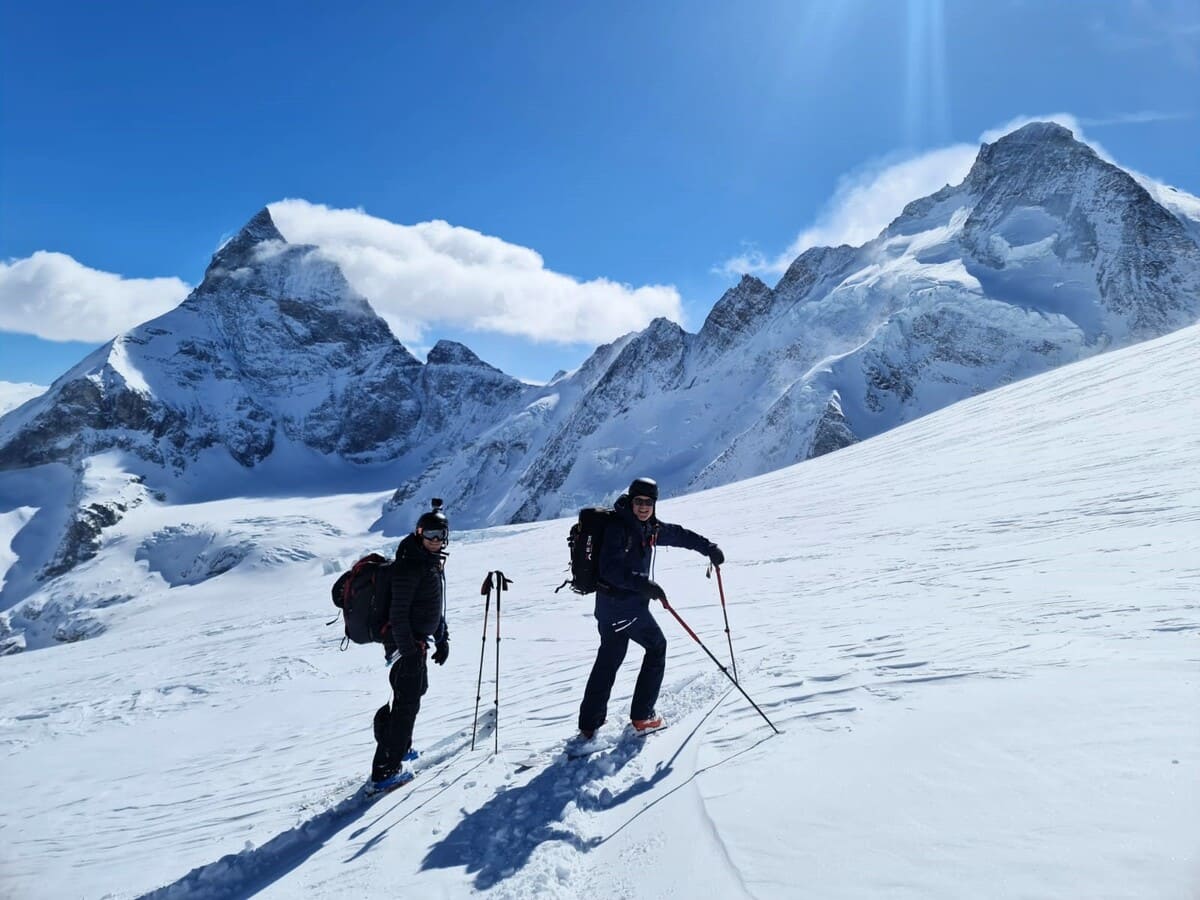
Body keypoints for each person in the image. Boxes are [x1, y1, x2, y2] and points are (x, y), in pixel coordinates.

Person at [577, 476, 724, 739]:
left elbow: (678, 534)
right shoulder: (618, 528)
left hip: (609, 609)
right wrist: (645, 585)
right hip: (624, 607)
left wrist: (708, 547)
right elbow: (609, 570)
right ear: (630, 501)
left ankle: (589, 724)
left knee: (609, 659)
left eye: (649, 502)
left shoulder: (648, 527)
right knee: (657, 647)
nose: (644, 507)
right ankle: (643, 717)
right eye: (639, 501)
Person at [370, 504, 451, 790]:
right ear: (419, 533)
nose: (436, 539)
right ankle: (385, 771)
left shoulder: (428, 561)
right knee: (406, 704)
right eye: (430, 534)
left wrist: (442, 638)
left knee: (415, 694)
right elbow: (398, 615)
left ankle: (401, 747)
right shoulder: (410, 566)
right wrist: (409, 651)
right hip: (405, 647)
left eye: (441, 534)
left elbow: (432, 607)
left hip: (417, 644)